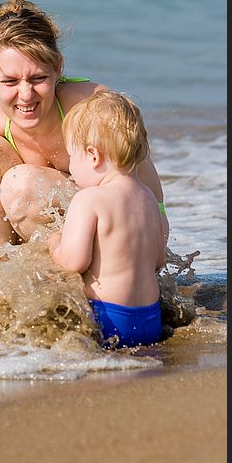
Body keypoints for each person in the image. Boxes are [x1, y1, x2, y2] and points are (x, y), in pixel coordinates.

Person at [0, 0, 168, 251]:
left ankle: (70, 282)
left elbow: (149, 201)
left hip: (113, 247)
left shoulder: (93, 109)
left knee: (22, 183)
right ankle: (2, 276)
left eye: (38, 78)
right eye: (10, 82)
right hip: (47, 247)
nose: (26, 94)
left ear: (58, 68)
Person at [48, 91, 164, 347]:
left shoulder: (89, 199)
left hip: (108, 318)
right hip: (150, 318)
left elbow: (73, 262)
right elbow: (158, 260)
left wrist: (54, 243)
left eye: (72, 156)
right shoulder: (147, 198)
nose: (71, 167)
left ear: (92, 156)